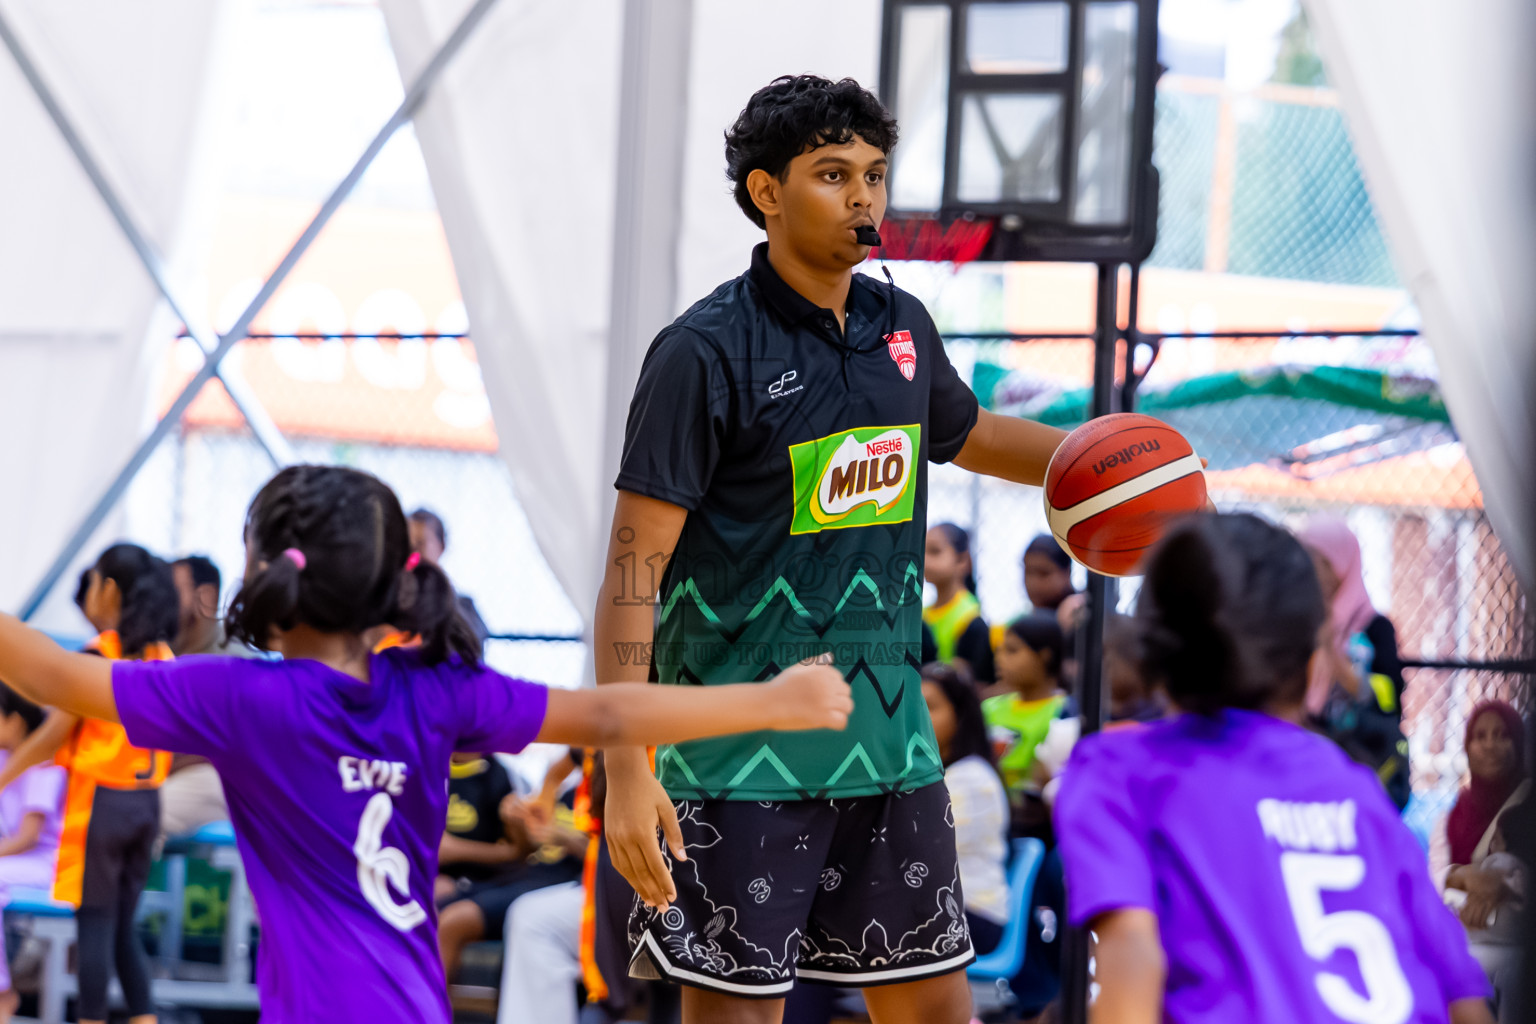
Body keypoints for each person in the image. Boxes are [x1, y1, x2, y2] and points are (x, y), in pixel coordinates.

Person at [0, 465, 852, 1024]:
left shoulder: (239, 695)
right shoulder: (437, 691)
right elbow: (606, 716)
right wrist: (772, 701)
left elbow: (55, 676)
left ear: (271, 576)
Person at [600, 75, 1067, 1024]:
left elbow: (970, 433)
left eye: (875, 174)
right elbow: (633, 569)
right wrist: (625, 766)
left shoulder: (903, 327)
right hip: (734, 760)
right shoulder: (702, 351)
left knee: (940, 1015)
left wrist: (1113, 462)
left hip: (891, 752)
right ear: (766, 192)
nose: (864, 197)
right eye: (832, 173)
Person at [1055, 513, 1492, 1024]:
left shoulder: (1117, 771)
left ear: (1150, 653)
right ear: (1314, 661)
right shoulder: (1353, 786)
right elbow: (1462, 996)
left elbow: (1132, 963)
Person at [0, 544, 177, 1024]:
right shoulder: (164, 657)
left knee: (94, 926)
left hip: (102, 804)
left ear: (110, 590)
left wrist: (5, 775)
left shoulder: (100, 656)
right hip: (148, 806)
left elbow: (52, 735)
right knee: (122, 930)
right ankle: (145, 1017)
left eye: (95, 581)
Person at [436, 753, 584, 982]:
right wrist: (516, 822)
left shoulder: (497, 774)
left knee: (455, 920)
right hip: (524, 875)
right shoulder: (562, 788)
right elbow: (528, 848)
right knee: (429, 912)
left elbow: (606, 857)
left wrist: (565, 839)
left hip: (562, 885)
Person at [1299, 517, 1411, 809]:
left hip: (1362, 755)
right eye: (1307, 560)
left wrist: (1329, 646)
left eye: (1322, 562)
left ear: (1344, 563)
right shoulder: (1298, 621)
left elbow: (1389, 699)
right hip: (1309, 752)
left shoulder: (1375, 628)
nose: (1315, 573)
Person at [1430, 700, 1530, 1017]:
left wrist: (1504, 884)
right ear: (1467, 746)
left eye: (1502, 735)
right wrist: (1463, 876)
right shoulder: (1453, 816)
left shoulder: (1527, 806)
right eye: (1480, 736)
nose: (1490, 746)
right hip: (1464, 936)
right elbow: (1431, 879)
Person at [162, 555, 258, 841]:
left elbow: (236, 747)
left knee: (138, 813)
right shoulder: (163, 652)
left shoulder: (236, 661)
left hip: (221, 780)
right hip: (170, 772)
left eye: (173, 589)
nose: (161, 598)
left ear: (206, 596)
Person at [0, 686, 65, 1024]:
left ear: (14, 720)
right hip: (12, 860)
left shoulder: (45, 763)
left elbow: (28, 837)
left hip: (47, 862)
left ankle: (3, 994)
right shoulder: (3, 759)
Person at [982, 614, 1069, 799]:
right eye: (999, 650)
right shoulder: (989, 708)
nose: (999, 658)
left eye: (1011, 650)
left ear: (1044, 656)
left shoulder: (1064, 713)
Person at [408, 508, 490, 651]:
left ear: (441, 546)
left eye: (420, 543)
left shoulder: (463, 609)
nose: (413, 553)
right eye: (408, 545)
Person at [922, 524, 994, 684]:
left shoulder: (971, 618)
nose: (924, 560)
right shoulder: (922, 612)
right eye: (922, 551)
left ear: (962, 560)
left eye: (934, 551)